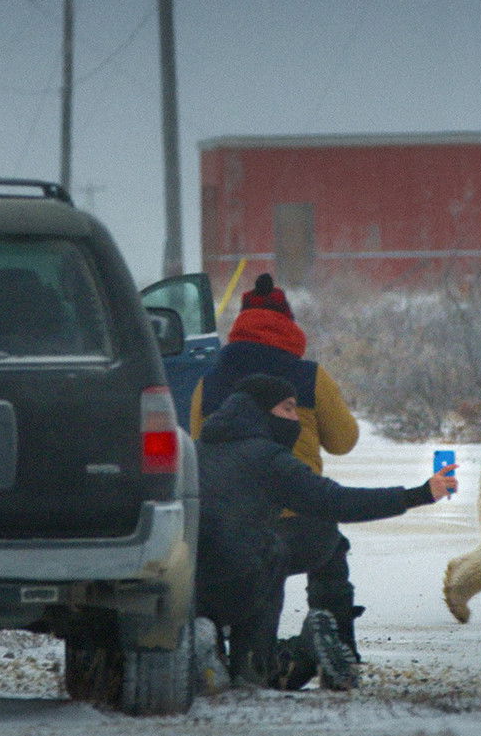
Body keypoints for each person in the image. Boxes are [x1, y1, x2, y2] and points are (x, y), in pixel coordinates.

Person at [193, 373, 457, 691]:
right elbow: (336, 502)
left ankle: (206, 650)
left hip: (188, 581)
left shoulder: (194, 452)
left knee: (250, 552)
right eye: (289, 409)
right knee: (268, 550)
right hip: (243, 575)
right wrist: (419, 494)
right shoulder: (268, 459)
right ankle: (274, 659)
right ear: (261, 411)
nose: (296, 419)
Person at [191, 273, 369, 666]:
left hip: (230, 532)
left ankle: (215, 644)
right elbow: (344, 441)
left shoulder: (209, 381)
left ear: (240, 323)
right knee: (331, 551)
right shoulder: (308, 377)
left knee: (224, 576)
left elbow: (198, 444)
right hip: (300, 527)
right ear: (289, 325)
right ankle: (338, 640)